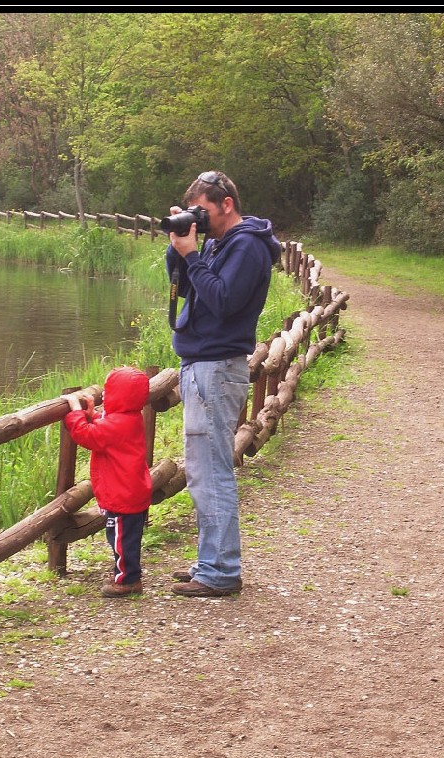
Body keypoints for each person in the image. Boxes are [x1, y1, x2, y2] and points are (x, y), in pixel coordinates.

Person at [165, 170, 281, 598]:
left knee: (210, 471)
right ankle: (210, 561)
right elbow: (184, 285)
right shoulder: (218, 242)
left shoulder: (247, 245)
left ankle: (220, 570)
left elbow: (224, 301)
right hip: (203, 364)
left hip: (215, 367)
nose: (201, 219)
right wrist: (181, 247)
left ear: (226, 204)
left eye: (203, 211)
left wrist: (194, 256)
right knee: (202, 469)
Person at [60, 366, 153, 598]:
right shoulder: (131, 417)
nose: (105, 396)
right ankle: (126, 574)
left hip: (122, 496)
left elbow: (87, 435)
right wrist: (92, 414)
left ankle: (128, 581)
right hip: (131, 492)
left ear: (118, 397)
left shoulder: (118, 424)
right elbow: (104, 426)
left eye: (109, 393)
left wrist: (75, 410)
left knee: (121, 541)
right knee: (127, 539)